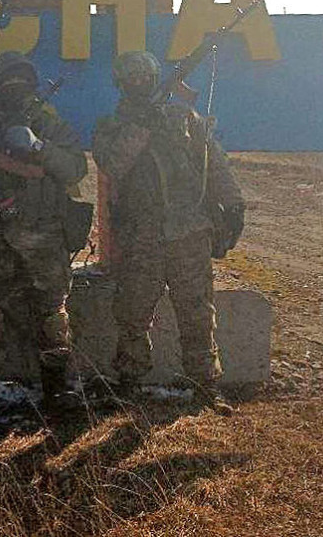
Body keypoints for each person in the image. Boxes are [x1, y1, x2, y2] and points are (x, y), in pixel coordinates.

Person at [91, 51, 245, 413]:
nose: (139, 84)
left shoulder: (181, 118)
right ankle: (128, 384)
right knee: (132, 313)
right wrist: (140, 127)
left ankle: (206, 387)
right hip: (141, 235)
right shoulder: (112, 126)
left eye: (145, 78)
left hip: (188, 230)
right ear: (121, 85)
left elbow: (214, 160)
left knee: (196, 312)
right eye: (132, 79)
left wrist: (234, 203)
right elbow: (113, 164)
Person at [0, 52, 87, 414]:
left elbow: (75, 169)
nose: (14, 89)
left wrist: (39, 147)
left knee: (52, 316)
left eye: (21, 82)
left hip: (44, 236)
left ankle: (59, 390)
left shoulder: (50, 124)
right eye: (8, 82)